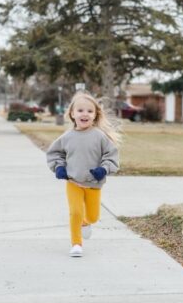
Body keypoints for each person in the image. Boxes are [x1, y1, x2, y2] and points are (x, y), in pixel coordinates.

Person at [46, 91, 121, 257]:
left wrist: (104, 169)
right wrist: (59, 167)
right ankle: (76, 244)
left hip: (93, 183)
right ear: (72, 114)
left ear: (95, 115)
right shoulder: (66, 137)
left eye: (89, 111)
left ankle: (86, 223)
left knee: (93, 217)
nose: (84, 114)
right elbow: (54, 154)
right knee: (76, 212)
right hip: (73, 182)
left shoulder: (100, 137)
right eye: (80, 110)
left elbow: (111, 155)